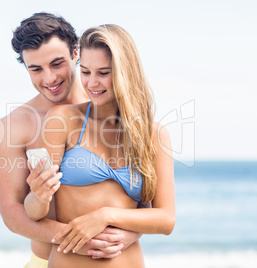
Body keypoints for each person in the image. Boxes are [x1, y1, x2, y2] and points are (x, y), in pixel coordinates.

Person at [0, 13, 144, 268]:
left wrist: (130, 233)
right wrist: (77, 239)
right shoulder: (13, 126)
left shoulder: (112, 105)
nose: (49, 78)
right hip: (49, 261)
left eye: (56, 63)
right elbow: (11, 212)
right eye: (36, 69)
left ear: (76, 52)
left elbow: (144, 197)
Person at [24, 24, 175, 267]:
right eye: (85, 72)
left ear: (125, 73)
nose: (92, 83)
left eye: (103, 73)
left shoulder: (153, 134)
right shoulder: (62, 120)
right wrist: (38, 196)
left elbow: (166, 219)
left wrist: (105, 216)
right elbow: (35, 213)